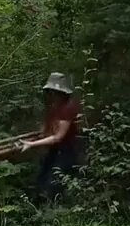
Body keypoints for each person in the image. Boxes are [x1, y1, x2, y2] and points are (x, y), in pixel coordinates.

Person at [17, 72, 83, 202]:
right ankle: (38, 207)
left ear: (62, 92)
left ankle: (54, 212)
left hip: (66, 150)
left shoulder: (68, 108)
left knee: (53, 183)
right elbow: (48, 127)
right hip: (55, 150)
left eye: (55, 91)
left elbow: (58, 136)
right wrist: (38, 136)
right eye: (51, 91)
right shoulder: (55, 106)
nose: (52, 94)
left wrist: (31, 144)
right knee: (41, 178)